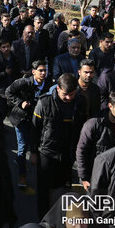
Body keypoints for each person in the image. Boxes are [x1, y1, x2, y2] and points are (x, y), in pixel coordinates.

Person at [31, 73, 87, 218]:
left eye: (72, 94)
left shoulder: (81, 102)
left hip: (69, 153)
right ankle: (43, 220)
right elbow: (34, 129)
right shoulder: (44, 102)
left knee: (64, 188)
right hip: (47, 153)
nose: (69, 98)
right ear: (57, 89)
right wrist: (33, 152)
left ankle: (61, 218)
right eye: (65, 94)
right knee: (44, 190)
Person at [6, 60, 53, 189]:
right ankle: (22, 175)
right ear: (33, 72)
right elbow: (8, 92)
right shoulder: (23, 82)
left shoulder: (48, 84)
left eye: (45, 70)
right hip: (21, 118)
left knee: (38, 144)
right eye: (40, 71)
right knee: (22, 147)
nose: (43, 73)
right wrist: (20, 102)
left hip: (38, 119)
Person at [76, 92, 115, 192]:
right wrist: (84, 177)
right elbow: (82, 151)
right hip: (97, 175)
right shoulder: (94, 124)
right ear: (110, 106)